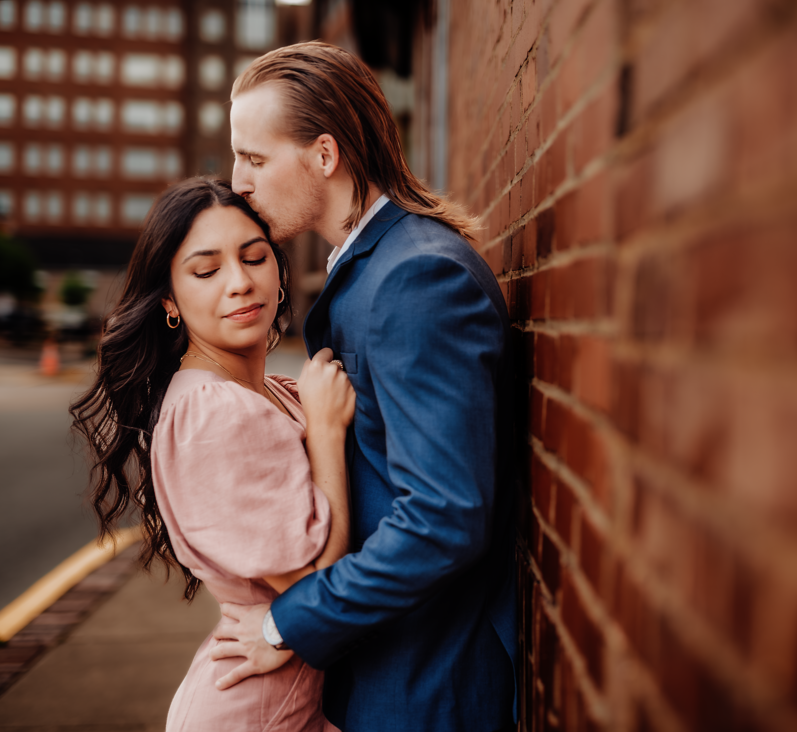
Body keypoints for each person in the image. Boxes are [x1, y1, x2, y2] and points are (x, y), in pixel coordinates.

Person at [210, 41, 518, 732]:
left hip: (426, 686)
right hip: (388, 670)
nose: (239, 182)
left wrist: (284, 626)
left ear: (325, 155)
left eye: (255, 158)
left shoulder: (415, 281)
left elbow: (443, 516)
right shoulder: (376, 270)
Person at [70, 177, 356, 731]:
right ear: (170, 301)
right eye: (207, 271)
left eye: (255, 258)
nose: (240, 283)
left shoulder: (262, 390)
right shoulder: (212, 412)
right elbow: (318, 593)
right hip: (251, 713)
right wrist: (324, 434)